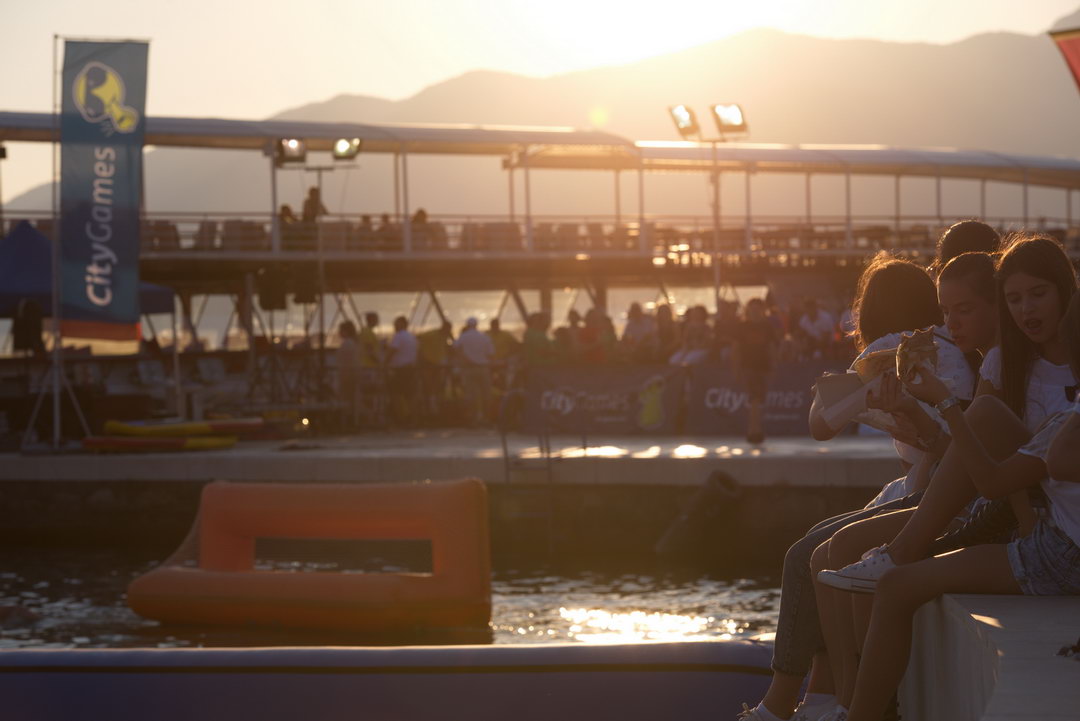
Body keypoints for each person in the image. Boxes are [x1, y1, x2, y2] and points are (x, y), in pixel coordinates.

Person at [813, 235, 1078, 719]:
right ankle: (846, 704)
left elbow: (1009, 469)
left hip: (1042, 527)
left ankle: (843, 702)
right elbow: (978, 466)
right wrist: (923, 407)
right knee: (838, 556)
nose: (1026, 309)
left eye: (1038, 294)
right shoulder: (1010, 361)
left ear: (1065, 290)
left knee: (854, 557)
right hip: (1018, 508)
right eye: (1015, 298)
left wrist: (944, 405)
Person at [738, 253, 953, 721]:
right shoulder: (947, 351)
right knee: (812, 552)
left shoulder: (889, 353)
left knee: (809, 556)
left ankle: (810, 701)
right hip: (923, 486)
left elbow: (821, 425)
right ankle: (821, 694)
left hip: (933, 493)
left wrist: (846, 390)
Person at [806, 251, 1000, 716]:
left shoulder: (898, 351)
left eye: (962, 310)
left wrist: (880, 395)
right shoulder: (970, 358)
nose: (951, 322)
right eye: (946, 310)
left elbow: (821, 424)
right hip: (939, 486)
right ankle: (842, 698)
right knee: (826, 556)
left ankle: (843, 699)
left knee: (825, 555)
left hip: (943, 492)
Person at [736, 297, 779, 445]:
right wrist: (736, 367)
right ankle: (754, 430)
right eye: (752, 309)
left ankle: (755, 429)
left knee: (758, 399)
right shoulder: (742, 327)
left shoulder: (767, 327)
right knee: (755, 398)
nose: (755, 312)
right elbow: (736, 348)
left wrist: (774, 365)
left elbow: (772, 346)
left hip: (763, 365)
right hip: (748, 366)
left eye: (757, 309)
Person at [455, 317, 496, 425]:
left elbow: (455, 348)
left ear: (467, 325)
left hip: (469, 369)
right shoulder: (484, 337)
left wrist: (464, 358)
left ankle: (473, 419)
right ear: (477, 325)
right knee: (486, 394)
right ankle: (486, 418)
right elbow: (491, 354)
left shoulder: (463, 337)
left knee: (470, 394)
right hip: (484, 368)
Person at [385, 316, 419, 426]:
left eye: (396, 323)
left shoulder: (399, 336)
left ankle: (403, 417)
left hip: (400, 370)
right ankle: (412, 419)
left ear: (402, 324)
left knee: (396, 393)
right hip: (411, 369)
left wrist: (384, 364)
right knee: (410, 394)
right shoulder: (411, 337)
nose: (394, 325)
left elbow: (392, 351)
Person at [336, 320, 360, 427]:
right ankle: (351, 421)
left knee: (347, 399)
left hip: (348, 375)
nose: (339, 332)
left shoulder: (347, 344)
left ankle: (347, 422)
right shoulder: (352, 343)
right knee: (351, 399)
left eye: (340, 330)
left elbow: (346, 363)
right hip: (352, 375)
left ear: (346, 331)